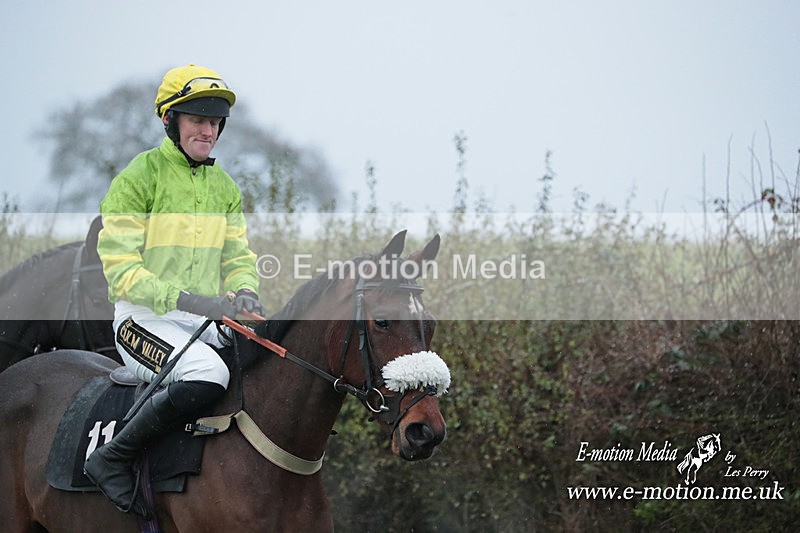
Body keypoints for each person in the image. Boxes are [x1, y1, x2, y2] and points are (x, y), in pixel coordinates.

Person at [84, 64, 264, 518]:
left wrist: (245, 293)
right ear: (170, 121)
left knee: (265, 356)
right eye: (196, 120)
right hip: (141, 319)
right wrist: (185, 300)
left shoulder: (225, 189)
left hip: (203, 319)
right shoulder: (138, 178)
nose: (207, 130)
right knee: (210, 374)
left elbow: (239, 257)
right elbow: (122, 270)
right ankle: (112, 457)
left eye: (213, 122)